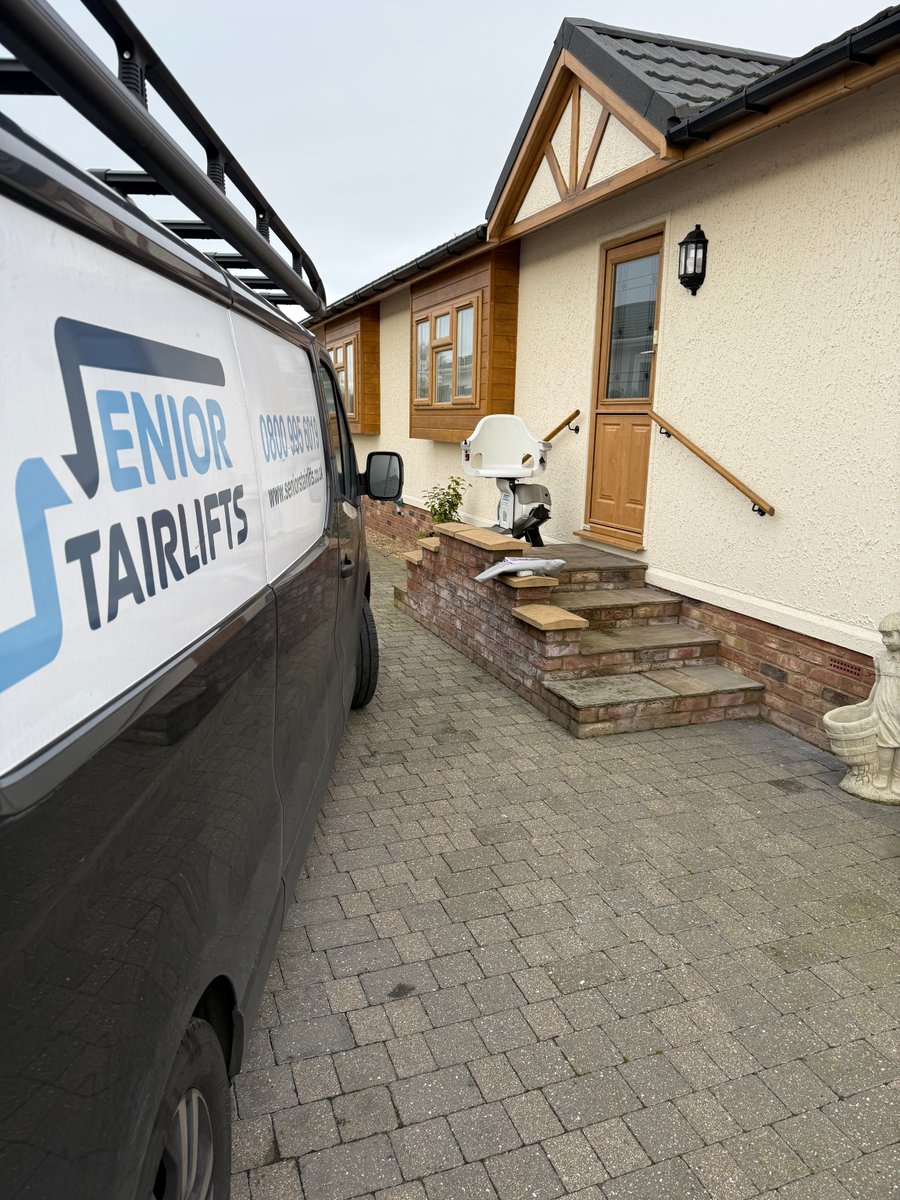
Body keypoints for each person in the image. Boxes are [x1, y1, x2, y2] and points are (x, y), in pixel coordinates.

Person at [871, 612, 900, 793]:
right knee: (885, 739)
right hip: (885, 703)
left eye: (889, 635)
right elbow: (877, 682)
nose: (885, 640)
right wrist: (869, 701)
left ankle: (897, 776)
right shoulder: (881, 658)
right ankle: (883, 773)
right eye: (883, 635)